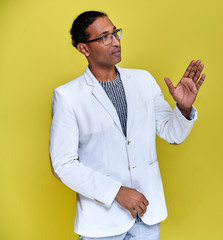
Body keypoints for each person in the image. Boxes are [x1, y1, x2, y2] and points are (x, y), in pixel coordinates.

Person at [49, 10, 206, 240]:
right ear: (84, 48)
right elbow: (62, 164)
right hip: (101, 223)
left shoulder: (143, 80)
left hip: (147, 217)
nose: (115, 41)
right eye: (104, 37)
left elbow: (172, 134)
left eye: (115, 33)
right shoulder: (68, 96)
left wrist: (183, 108)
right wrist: (116, 192)